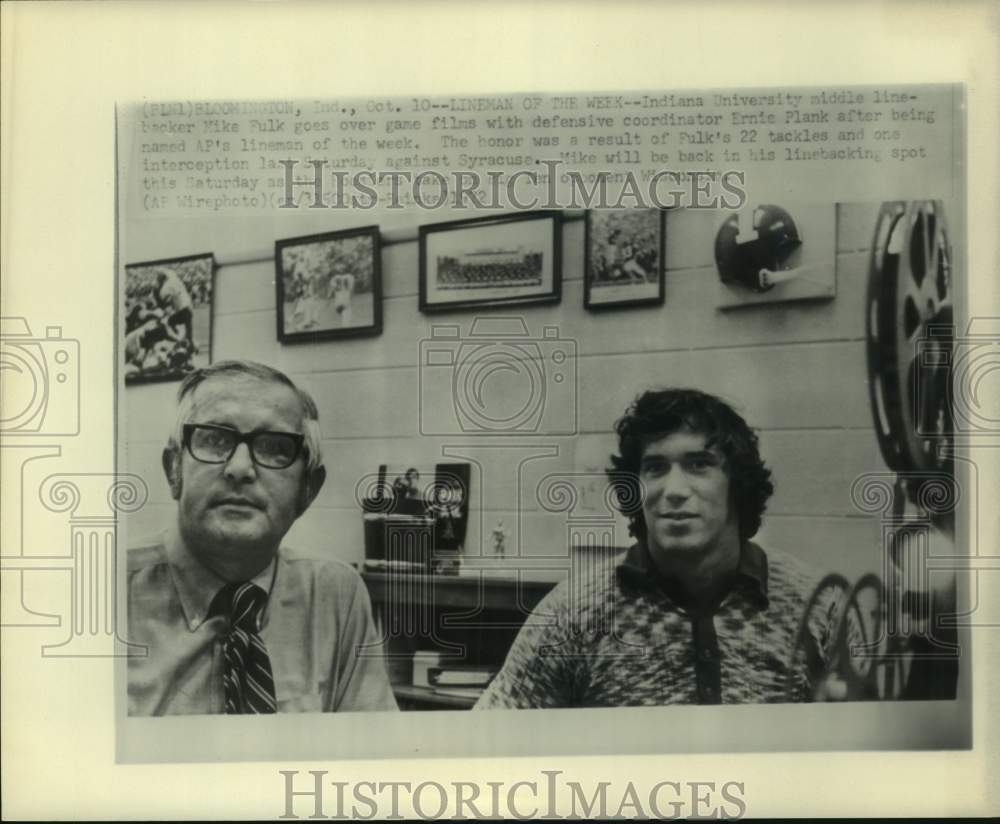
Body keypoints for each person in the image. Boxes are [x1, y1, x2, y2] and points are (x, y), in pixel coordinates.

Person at [476, 388, 840, 708]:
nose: (675, 489)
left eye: (699, 465)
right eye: (655, 468)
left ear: (738, 484)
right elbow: (489, 742)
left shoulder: (819, 606)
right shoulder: (573, 615)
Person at [128, 360, 397, 715]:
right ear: (174, 469)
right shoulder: (101, 594)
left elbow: (370, 754)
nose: (239, 469)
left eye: (274, 448)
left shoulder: (336, 596)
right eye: (213, 440)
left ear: (309, 490)